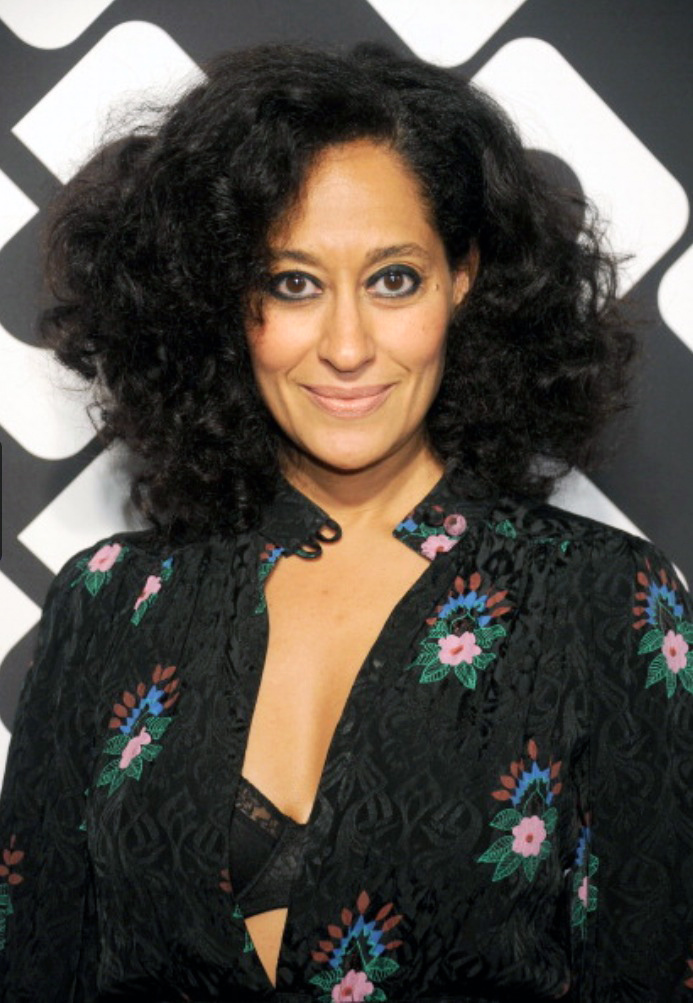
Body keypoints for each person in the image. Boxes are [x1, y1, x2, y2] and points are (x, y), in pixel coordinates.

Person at [1, 40, 692, 1003]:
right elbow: (34, 964)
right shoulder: (109, 601)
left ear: (462, 277)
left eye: (393, 278)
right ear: (223, 297)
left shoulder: (602, 599)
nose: (346, 345)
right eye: (292, 283)